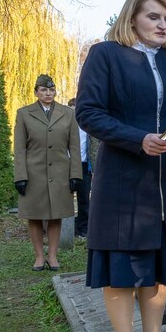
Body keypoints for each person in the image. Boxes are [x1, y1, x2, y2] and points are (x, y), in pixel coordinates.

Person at [76, 0, 166, 332]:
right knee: (124, 268)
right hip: (124, 178)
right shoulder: (106, 54)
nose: (163, 25)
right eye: (154, 17)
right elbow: (89, 112)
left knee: (160, 268)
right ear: (132, 20)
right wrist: (136, 138)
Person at [14, 75, 81, 271]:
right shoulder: (24, 114)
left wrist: (75, 174)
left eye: (51, 90)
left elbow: (74, 148)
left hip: (60, 173)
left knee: (56, 215)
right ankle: (38, 257)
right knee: (34, 215)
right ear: (36, 92)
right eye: (43, 90)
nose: (48, 93)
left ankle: (52, 256)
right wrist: (20, 176)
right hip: (33, 173)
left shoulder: (67, 114)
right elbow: (19, 149)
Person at [67, 97, 93, 239]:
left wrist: (93, 167)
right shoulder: (63, 126)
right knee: (64, 197)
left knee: (84, 198)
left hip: (84, 164)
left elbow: (94, 147)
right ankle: (64, 228)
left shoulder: (87, 127)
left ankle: (83, 228)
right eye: (71, 110)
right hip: (66, 164)